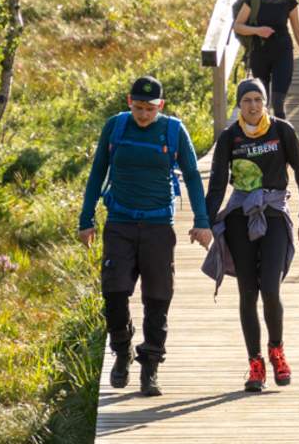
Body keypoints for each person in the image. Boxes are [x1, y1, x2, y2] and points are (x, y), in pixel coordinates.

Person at [77, 75, 213, 398]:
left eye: (150, 109)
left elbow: (193, 176)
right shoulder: (116, 127)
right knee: (114, 291)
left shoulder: (173, 131)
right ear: (129, 102)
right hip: (120, 223)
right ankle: (122, 350)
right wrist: (86, 219)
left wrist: (202, 220)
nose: (143, 115)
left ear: (160, 106)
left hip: (157, 226)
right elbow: (98, 171)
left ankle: (150, 366)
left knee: (158, 298)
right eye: (138, 107)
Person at [203, 78, 299, 394]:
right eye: (246, 101)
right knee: (247, 291)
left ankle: (276, 351)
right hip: (240, 216)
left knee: (270, 287)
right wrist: (206, 223)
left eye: (257, 100)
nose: (252, 106)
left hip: (274, 213)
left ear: (265, 102)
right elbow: (217, 185)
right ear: (239, 105)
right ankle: (255, 362)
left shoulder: (282, 131)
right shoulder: (229, 137)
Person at [232, 0, 299, 119]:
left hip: (282, 52)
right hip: (259, 54)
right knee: (263, 103)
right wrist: (258, 31)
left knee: (278, 103)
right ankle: (267, 139)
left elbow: (297, 29)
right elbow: (238, 26)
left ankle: (283, 139)